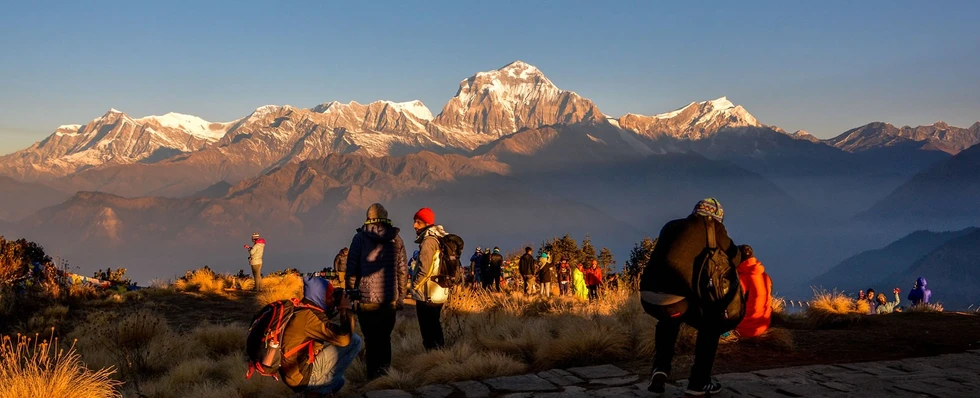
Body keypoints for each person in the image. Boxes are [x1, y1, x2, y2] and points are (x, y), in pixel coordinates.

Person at [639, 198, 741, 396]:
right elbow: (734, 258)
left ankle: (660, 369)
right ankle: (699, 382)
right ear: (716, 217)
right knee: (711, 325)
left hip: (648, 297)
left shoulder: (671, 226)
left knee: (669, 319)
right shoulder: (713, 228)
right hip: (678, 300)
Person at [345, 203, 408, 379]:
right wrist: (401, 297)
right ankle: (385, 376)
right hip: (389, 300)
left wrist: (350, 294)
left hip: (367, 300)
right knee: (385, 339)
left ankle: (373, 379)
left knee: (371, 340)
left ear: (368, 217)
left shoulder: (360, 239)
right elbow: (403, 271)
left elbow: (351, 270)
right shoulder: (397, 239)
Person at [279, 275, 362, 396]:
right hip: (302, 377)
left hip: (294, 374)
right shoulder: (310, 317)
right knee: (354, 341)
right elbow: (344, 339)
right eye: (329, 295)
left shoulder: (302, 309)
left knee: (339, 382)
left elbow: (327, 328)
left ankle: (319, 390)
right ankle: (317, 391)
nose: (332, 299)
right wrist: (345, 309)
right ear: (319, 296)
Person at [411, 207, 449, 350]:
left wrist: (414, 286)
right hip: (439, 291)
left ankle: (432, 357)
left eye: (418, 222)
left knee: (428, 330)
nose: (414, 225)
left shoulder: (428, 241)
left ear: (426, 223)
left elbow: (424, 268)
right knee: (435, 326)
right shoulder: (440, 238)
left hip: (427, 293)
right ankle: (440, 355)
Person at [735, 245, 773, 338]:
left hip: (744, 329)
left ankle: (725, 334)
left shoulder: (742, 278)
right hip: (764, 325)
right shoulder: (765, 276)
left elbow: (732, 303)